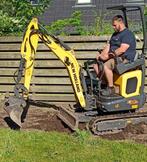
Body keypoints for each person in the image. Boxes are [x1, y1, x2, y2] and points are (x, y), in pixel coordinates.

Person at [93, 15, 136, 96]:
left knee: (106, 66)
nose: (113, 27)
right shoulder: (115, 34)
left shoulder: (128, 34)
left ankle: (111, 88)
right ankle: (105, 85)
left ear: (121, 23)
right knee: (96, 66)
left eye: (114, 25)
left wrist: (107, 56)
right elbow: (108, 46)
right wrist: (101, 55)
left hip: (124, 59)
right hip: (115, 57)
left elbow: (122, 50)